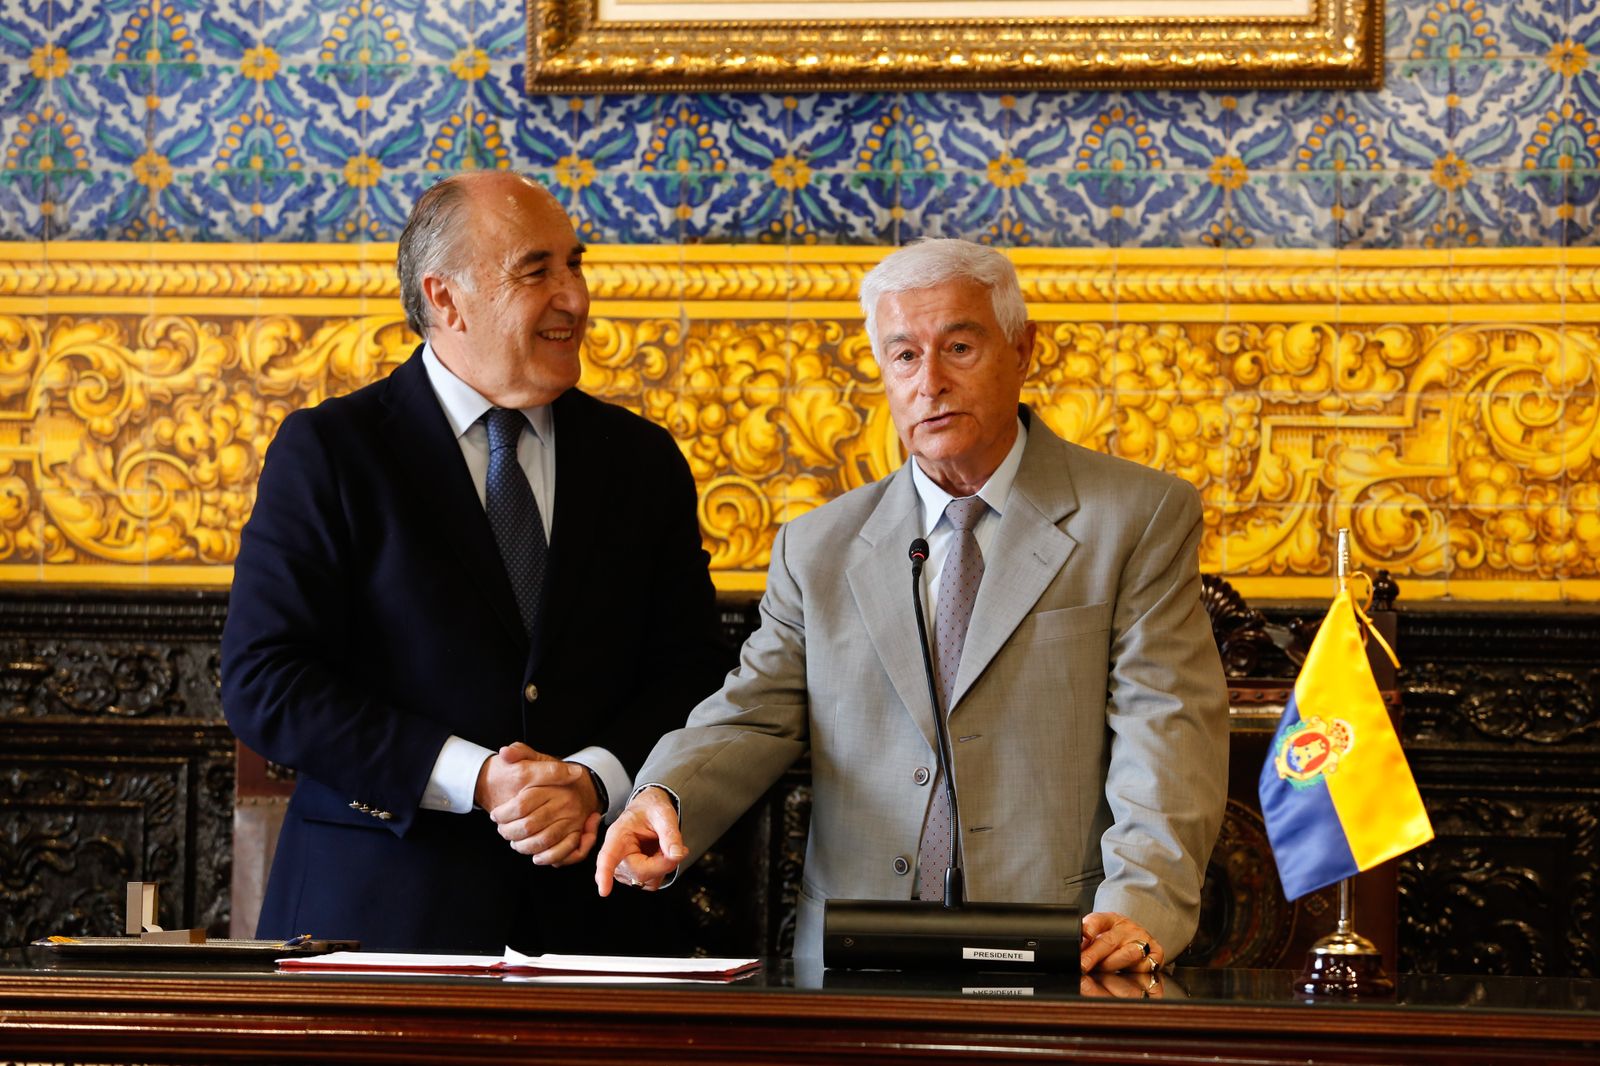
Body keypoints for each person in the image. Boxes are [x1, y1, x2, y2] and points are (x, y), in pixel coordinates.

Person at [595, 238, 1229, 972]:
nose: (930, 382)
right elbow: (752, 713)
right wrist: (665, 798)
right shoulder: (820, 546)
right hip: (856, 961)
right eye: (903, 356)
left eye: (959, 347)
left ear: (1024, 351)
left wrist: (1138, 907)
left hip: (1067, 950)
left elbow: (1167, 731)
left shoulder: (1135, 518)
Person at [222, 172, 726, 955]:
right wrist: (483, 779)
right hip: (374, 927)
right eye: (537, 271)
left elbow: (692, 672)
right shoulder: (332, 453)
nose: (575, 298)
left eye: (575, 265)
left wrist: (592, 779)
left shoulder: (640, 461)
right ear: (445, 299)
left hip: (599, 923)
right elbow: (267, 683)